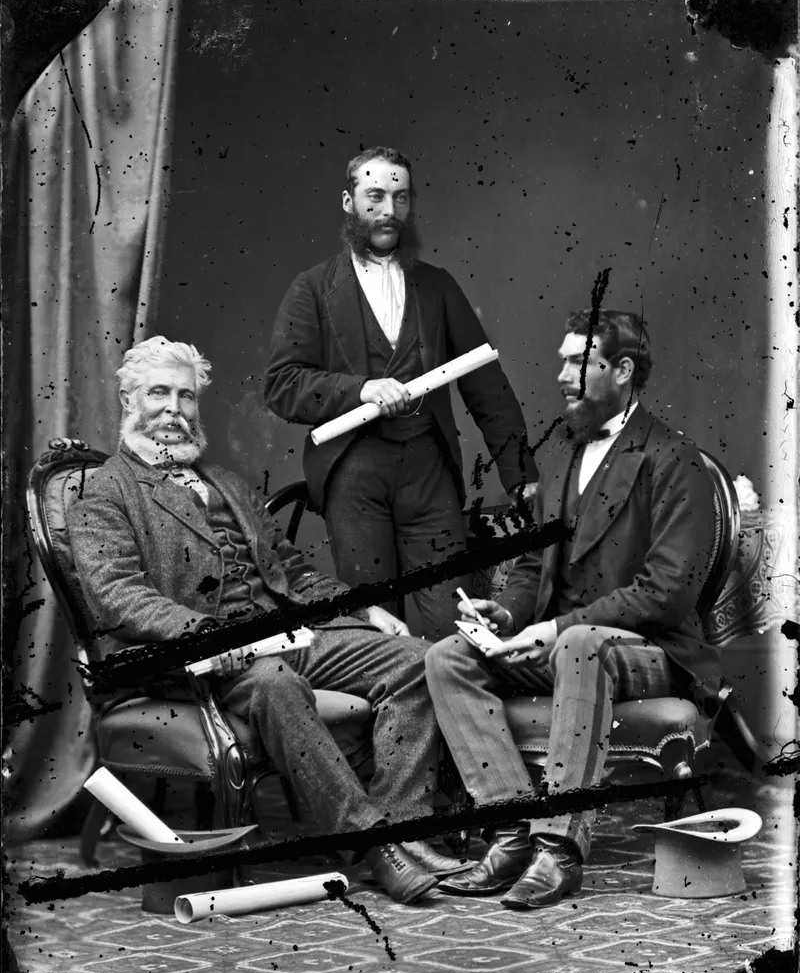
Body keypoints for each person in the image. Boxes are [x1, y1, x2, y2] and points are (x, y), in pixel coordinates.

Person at [67, 336, 474, 905]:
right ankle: (373, 843)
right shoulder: (104, 492)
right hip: (203, 656)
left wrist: (362, 608)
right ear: (128, 400)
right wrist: (205, 634)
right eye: (159, 393)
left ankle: (404, 825)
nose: (173, 410)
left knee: (422, 659)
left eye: (186, 396)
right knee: (275, 683)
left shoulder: (227, 482)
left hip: (287, 631)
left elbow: (292, 572)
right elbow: (117, 595)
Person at [424, 309, 722, 910]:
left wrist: (557, 627)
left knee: (581, 643)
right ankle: (510, 832)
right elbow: (535, 562)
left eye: (578, 362)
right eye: (562, 361)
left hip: (649, 652)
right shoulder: (561, 448)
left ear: (623, 370)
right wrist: (508, 616)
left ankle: (558, 849)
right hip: (564, 643)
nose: (561, 375)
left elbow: (666, 594)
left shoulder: (675, 460)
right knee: (448, 657)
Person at [263, 146, 536, 640]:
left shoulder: (438, 287)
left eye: (400, 197)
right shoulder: (312, 289)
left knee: (452, 629)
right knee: (375, 627)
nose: (388, 210)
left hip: (429, 474)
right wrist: (361, 390)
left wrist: (521, 475)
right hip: (354, 475)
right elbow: (282, 385)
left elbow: (487, 386)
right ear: (348, 202)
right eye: (375, 196)